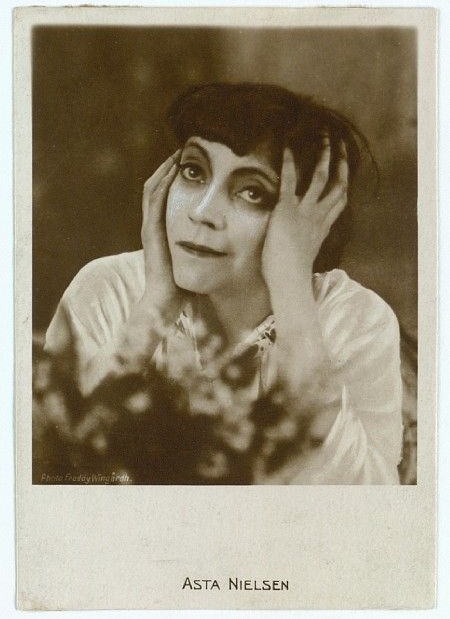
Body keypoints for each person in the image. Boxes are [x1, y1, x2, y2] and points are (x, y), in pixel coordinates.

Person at [45, 83, 403, 484]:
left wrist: (293, 298)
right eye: (193, 172)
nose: (201, 213)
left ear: (307, 222)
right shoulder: (107, 288)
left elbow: (368, 513)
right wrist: (155, 309)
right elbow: (61, 478)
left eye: (251, 192)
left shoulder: (356, 320)